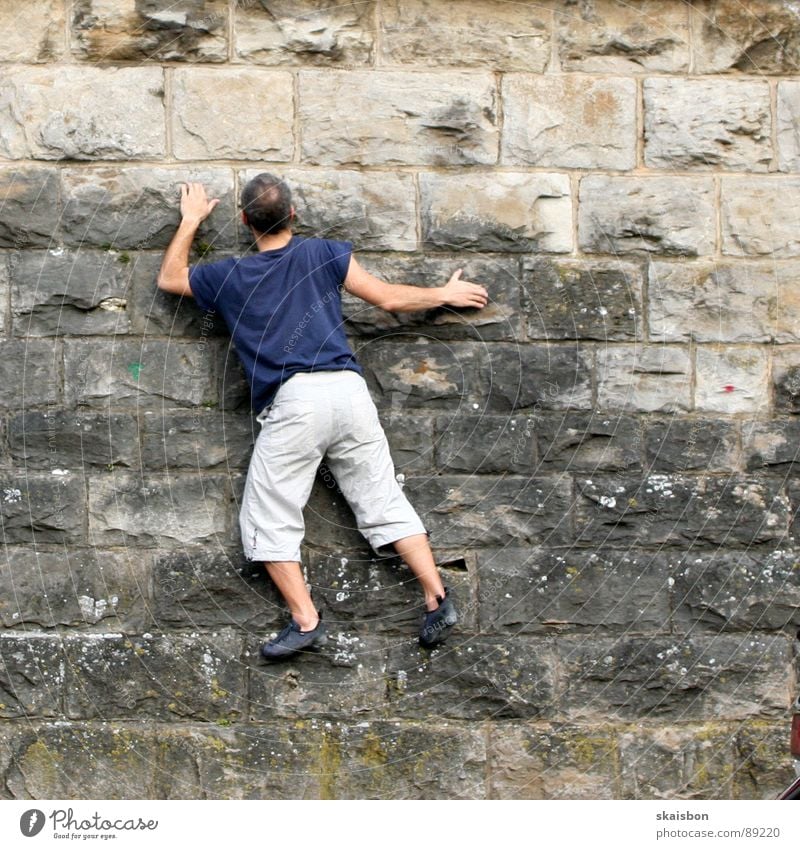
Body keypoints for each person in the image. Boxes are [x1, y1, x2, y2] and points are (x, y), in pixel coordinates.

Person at [156, 174, 489, 660]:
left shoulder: (230, 276)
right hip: (349, 392)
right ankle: (435, 597)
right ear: (293, 215)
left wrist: (190, 222)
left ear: (246, 221)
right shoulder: (323, 254)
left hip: (295, 402)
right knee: (381, 497)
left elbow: (169, 278)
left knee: (268, 515)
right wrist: (443, 293)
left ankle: (306, 619)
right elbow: (389, 298)